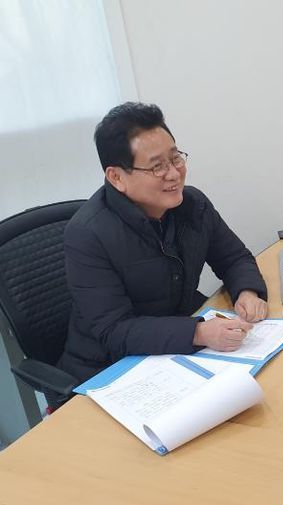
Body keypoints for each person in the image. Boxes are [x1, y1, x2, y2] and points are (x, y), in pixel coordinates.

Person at [58, 102, 268, 383]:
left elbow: (233, 258)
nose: (174, 174)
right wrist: (198, 332)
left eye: (175, 158)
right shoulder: (88, 234)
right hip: (109, 370)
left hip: (175, 352)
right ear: (116, 177)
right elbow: (114, 331)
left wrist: (247, 292)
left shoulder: (193, 204)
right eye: (157, 166)